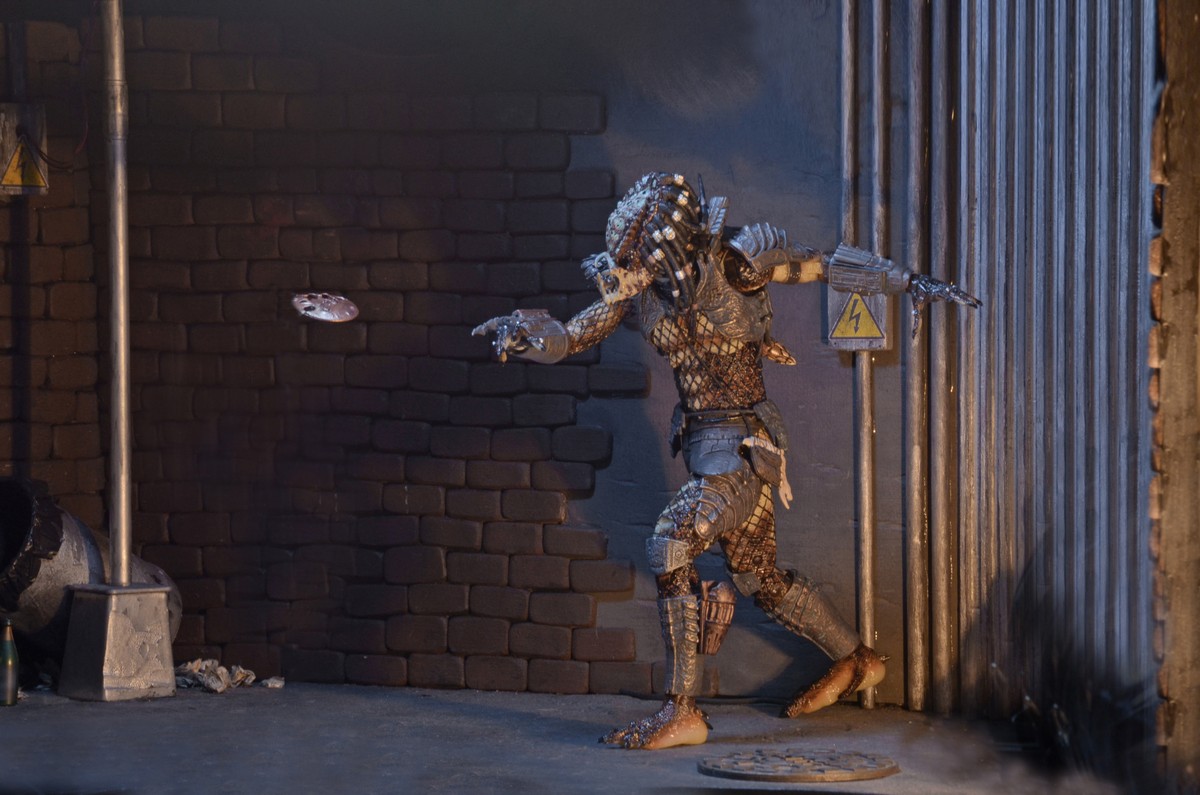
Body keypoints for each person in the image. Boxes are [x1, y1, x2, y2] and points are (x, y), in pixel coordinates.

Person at [473, 172, 978, 749]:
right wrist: (526, 334)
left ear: (670, 248)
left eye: (641, 261)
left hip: (743, 447)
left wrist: (907, 280)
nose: (630, 273)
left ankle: (682, 709)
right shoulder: (643, 285)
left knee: (670, 542)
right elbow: (575, 333)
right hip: (704, 445)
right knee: (758, 576)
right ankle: (858, 660)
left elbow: (821, 265)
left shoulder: (739, 261)